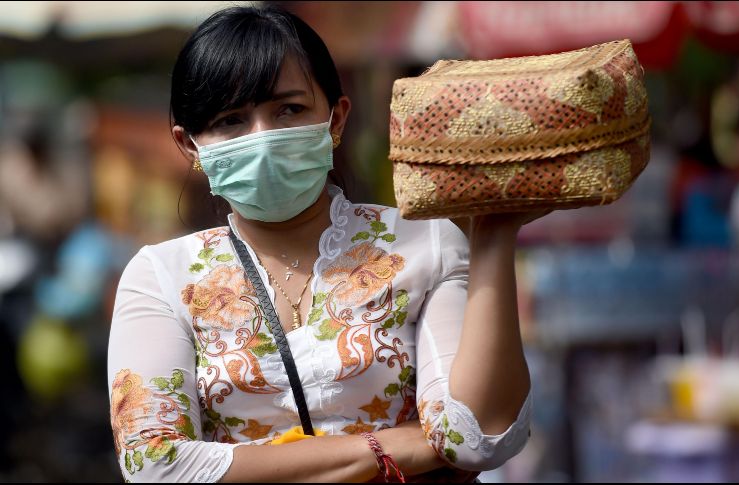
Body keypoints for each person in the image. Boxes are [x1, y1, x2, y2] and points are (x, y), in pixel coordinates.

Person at [108, 5, 540, 482]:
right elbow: (153, 465)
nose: (263, 137)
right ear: (190, 145)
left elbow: (475, 436)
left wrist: (497, 236)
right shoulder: (161, 278)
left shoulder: (424, 242)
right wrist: (390, 447)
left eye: (288, 109)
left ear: (336, 119)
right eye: (231, 120)